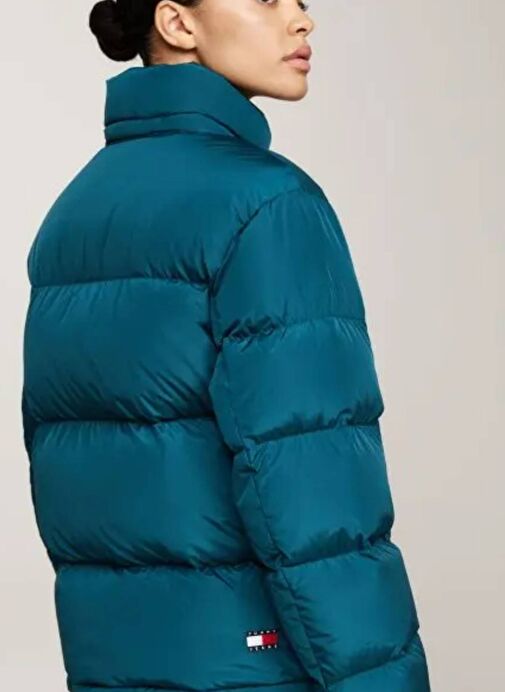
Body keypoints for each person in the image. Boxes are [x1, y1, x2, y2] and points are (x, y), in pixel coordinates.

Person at [21, 1, 431, 691]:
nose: (301, 20)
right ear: (178, 24)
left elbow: (72, 478)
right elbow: (312, 493)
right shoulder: (269, 203)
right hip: (260, 662)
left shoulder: (72, 212)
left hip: (116, 664)